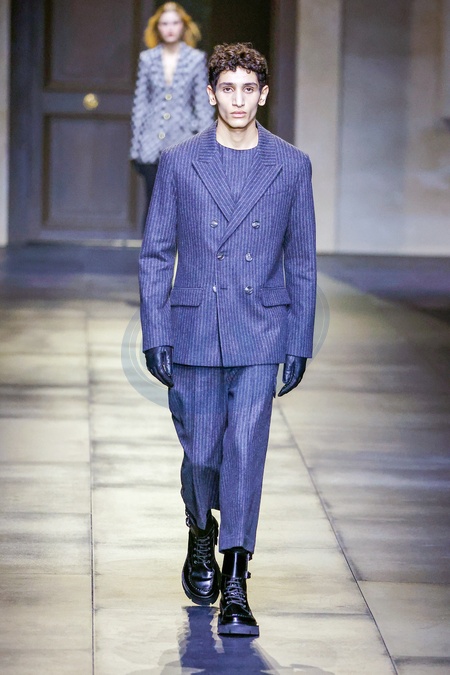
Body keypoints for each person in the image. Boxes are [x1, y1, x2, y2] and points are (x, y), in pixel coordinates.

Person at [139, 42, 317, 637]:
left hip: (261, 329)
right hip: (193, 327)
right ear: (211, 93)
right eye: (227, 88)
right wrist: (156, 330)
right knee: (201, 455)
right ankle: (200, 529)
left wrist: (299, 341)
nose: (238, 100)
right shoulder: (179, 162)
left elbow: (302, 261)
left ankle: (236, 579)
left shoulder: (291, 165)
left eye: (248, 89)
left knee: (244, 450)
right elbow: (156, 252)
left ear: (263, 94)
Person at [130, 2, 214, 227]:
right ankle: (151, 249)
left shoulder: (195, 58)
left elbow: (202, 104)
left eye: (175, 23)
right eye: (164, 23)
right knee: (153, 204)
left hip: (183, 141)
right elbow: (141, 103)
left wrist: (205, 144)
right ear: (157, 27)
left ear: (183, 26)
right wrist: (136, 147)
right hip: (151, 143)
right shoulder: (148, 59)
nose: (169, 28)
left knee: (182, 204)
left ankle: (180, 249)